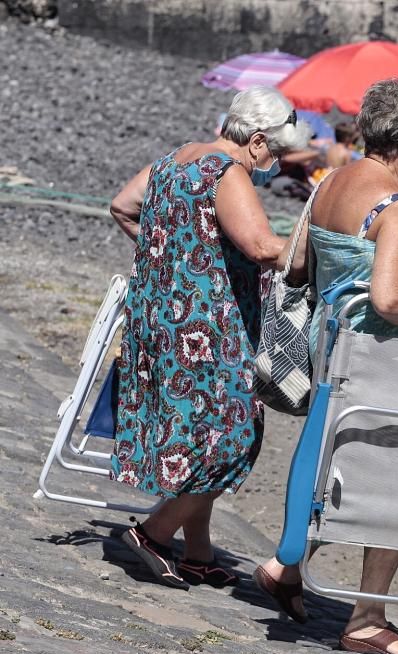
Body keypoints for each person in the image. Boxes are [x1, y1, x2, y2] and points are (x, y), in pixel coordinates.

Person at [254, 79, 398, 654]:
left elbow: (299, 262)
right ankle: (368, 618)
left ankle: (284, 567)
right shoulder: (396, 206)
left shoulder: (332, 183)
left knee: (334, 460)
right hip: (390, 359)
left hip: (335, 350)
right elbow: (391, 298)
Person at [108, 86, 311, 589]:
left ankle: (196, 550)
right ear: (258, 140)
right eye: (278, 152)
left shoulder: (178, 157)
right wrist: (321, 250)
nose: (278, 163)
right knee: (234, 435)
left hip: (159, 317)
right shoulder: (230, 172)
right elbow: (264, 248)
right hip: (207, 326)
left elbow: (121, 207)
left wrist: (170, 254)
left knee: (202, 432)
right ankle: (153, 533)